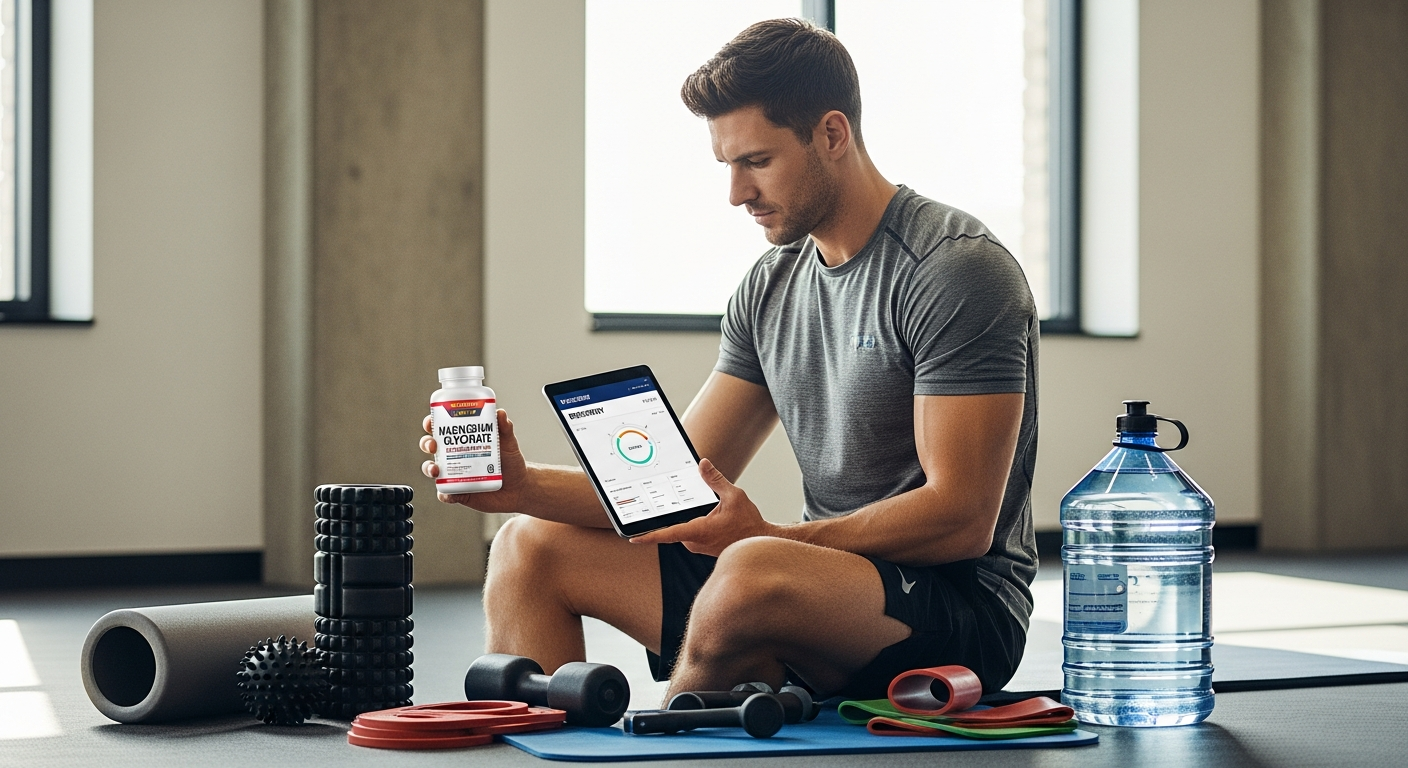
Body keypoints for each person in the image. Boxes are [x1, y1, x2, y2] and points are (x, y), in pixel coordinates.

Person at [419, 18, 1038, 702]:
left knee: (749, 569)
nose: (737, 193)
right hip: (810, 578)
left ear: (832, 135)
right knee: (527, 546)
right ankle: (559, 741)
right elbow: (671, 488)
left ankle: (667, 738)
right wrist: (519, 485)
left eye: (758, 161)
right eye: (728, 166)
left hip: (957, 610)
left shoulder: (954, 270)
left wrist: (771, 537)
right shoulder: (772, 285)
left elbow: (961, 517)